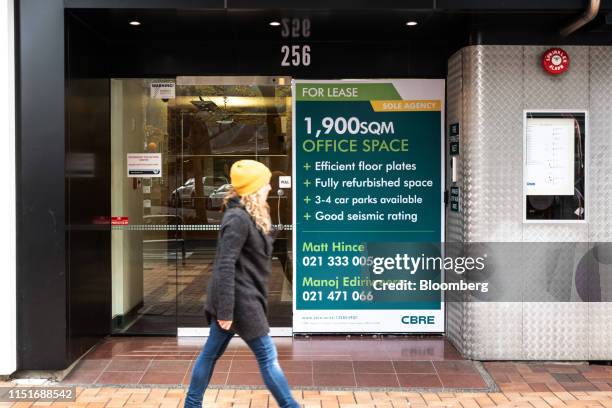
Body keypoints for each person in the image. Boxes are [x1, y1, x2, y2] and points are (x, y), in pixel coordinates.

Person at [184, 160, 300, 408]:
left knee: (210, 354)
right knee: (268, 356)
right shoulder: (237, 218)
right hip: (239, 301)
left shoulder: (250, 214)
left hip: (241, 298)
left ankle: (191, 405)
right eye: (266, 183)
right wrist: (226, 311)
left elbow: (254, 251)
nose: (270, 187)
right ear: (254, 188)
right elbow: (225, 265)